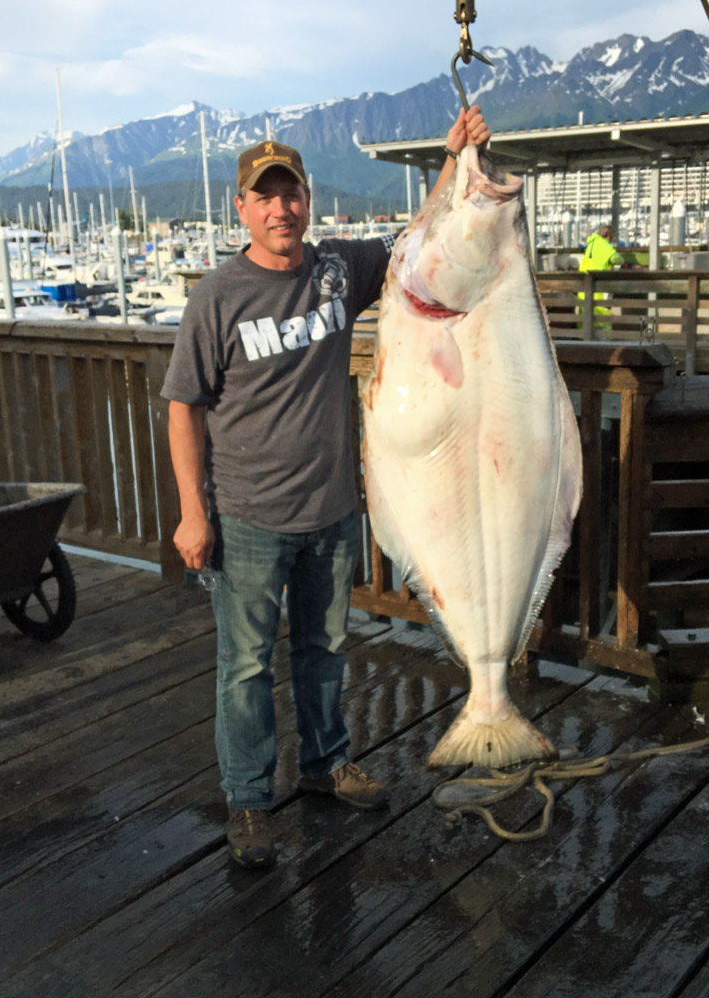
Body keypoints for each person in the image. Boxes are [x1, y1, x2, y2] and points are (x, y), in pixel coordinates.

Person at [161, 105, 491, 869]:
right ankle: (248, 801)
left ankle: (323, 765)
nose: (282, 209)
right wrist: (190, 513)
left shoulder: (339, 270)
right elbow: (184, 408)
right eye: (265, 196)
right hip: (246, 517)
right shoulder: (217, 296)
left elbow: (418, 240)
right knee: (244, 668)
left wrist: (453, 160)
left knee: (324, 649)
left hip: (333, 510)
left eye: (292, 193)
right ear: (241, 208)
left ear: (308, 199)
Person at [577, 224, 625, 333]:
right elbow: (616, 259)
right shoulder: (602, 244)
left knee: (585, 312)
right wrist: (623, 260)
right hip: (598, 286)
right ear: (609, 236)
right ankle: (603, 338)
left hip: (583, 284)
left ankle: (583, 338)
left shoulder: (592, 243)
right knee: (602, 313)